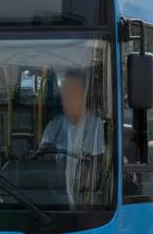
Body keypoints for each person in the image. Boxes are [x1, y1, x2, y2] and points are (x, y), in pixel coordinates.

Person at [39, 70, 105, 202]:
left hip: (89, 205)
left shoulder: (96, 127)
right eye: (65, 93)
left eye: (72, 93)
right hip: (56, 203)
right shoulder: (53, 128)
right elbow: (43, 166)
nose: (67, 98)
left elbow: (97, 170)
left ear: (84, 96)